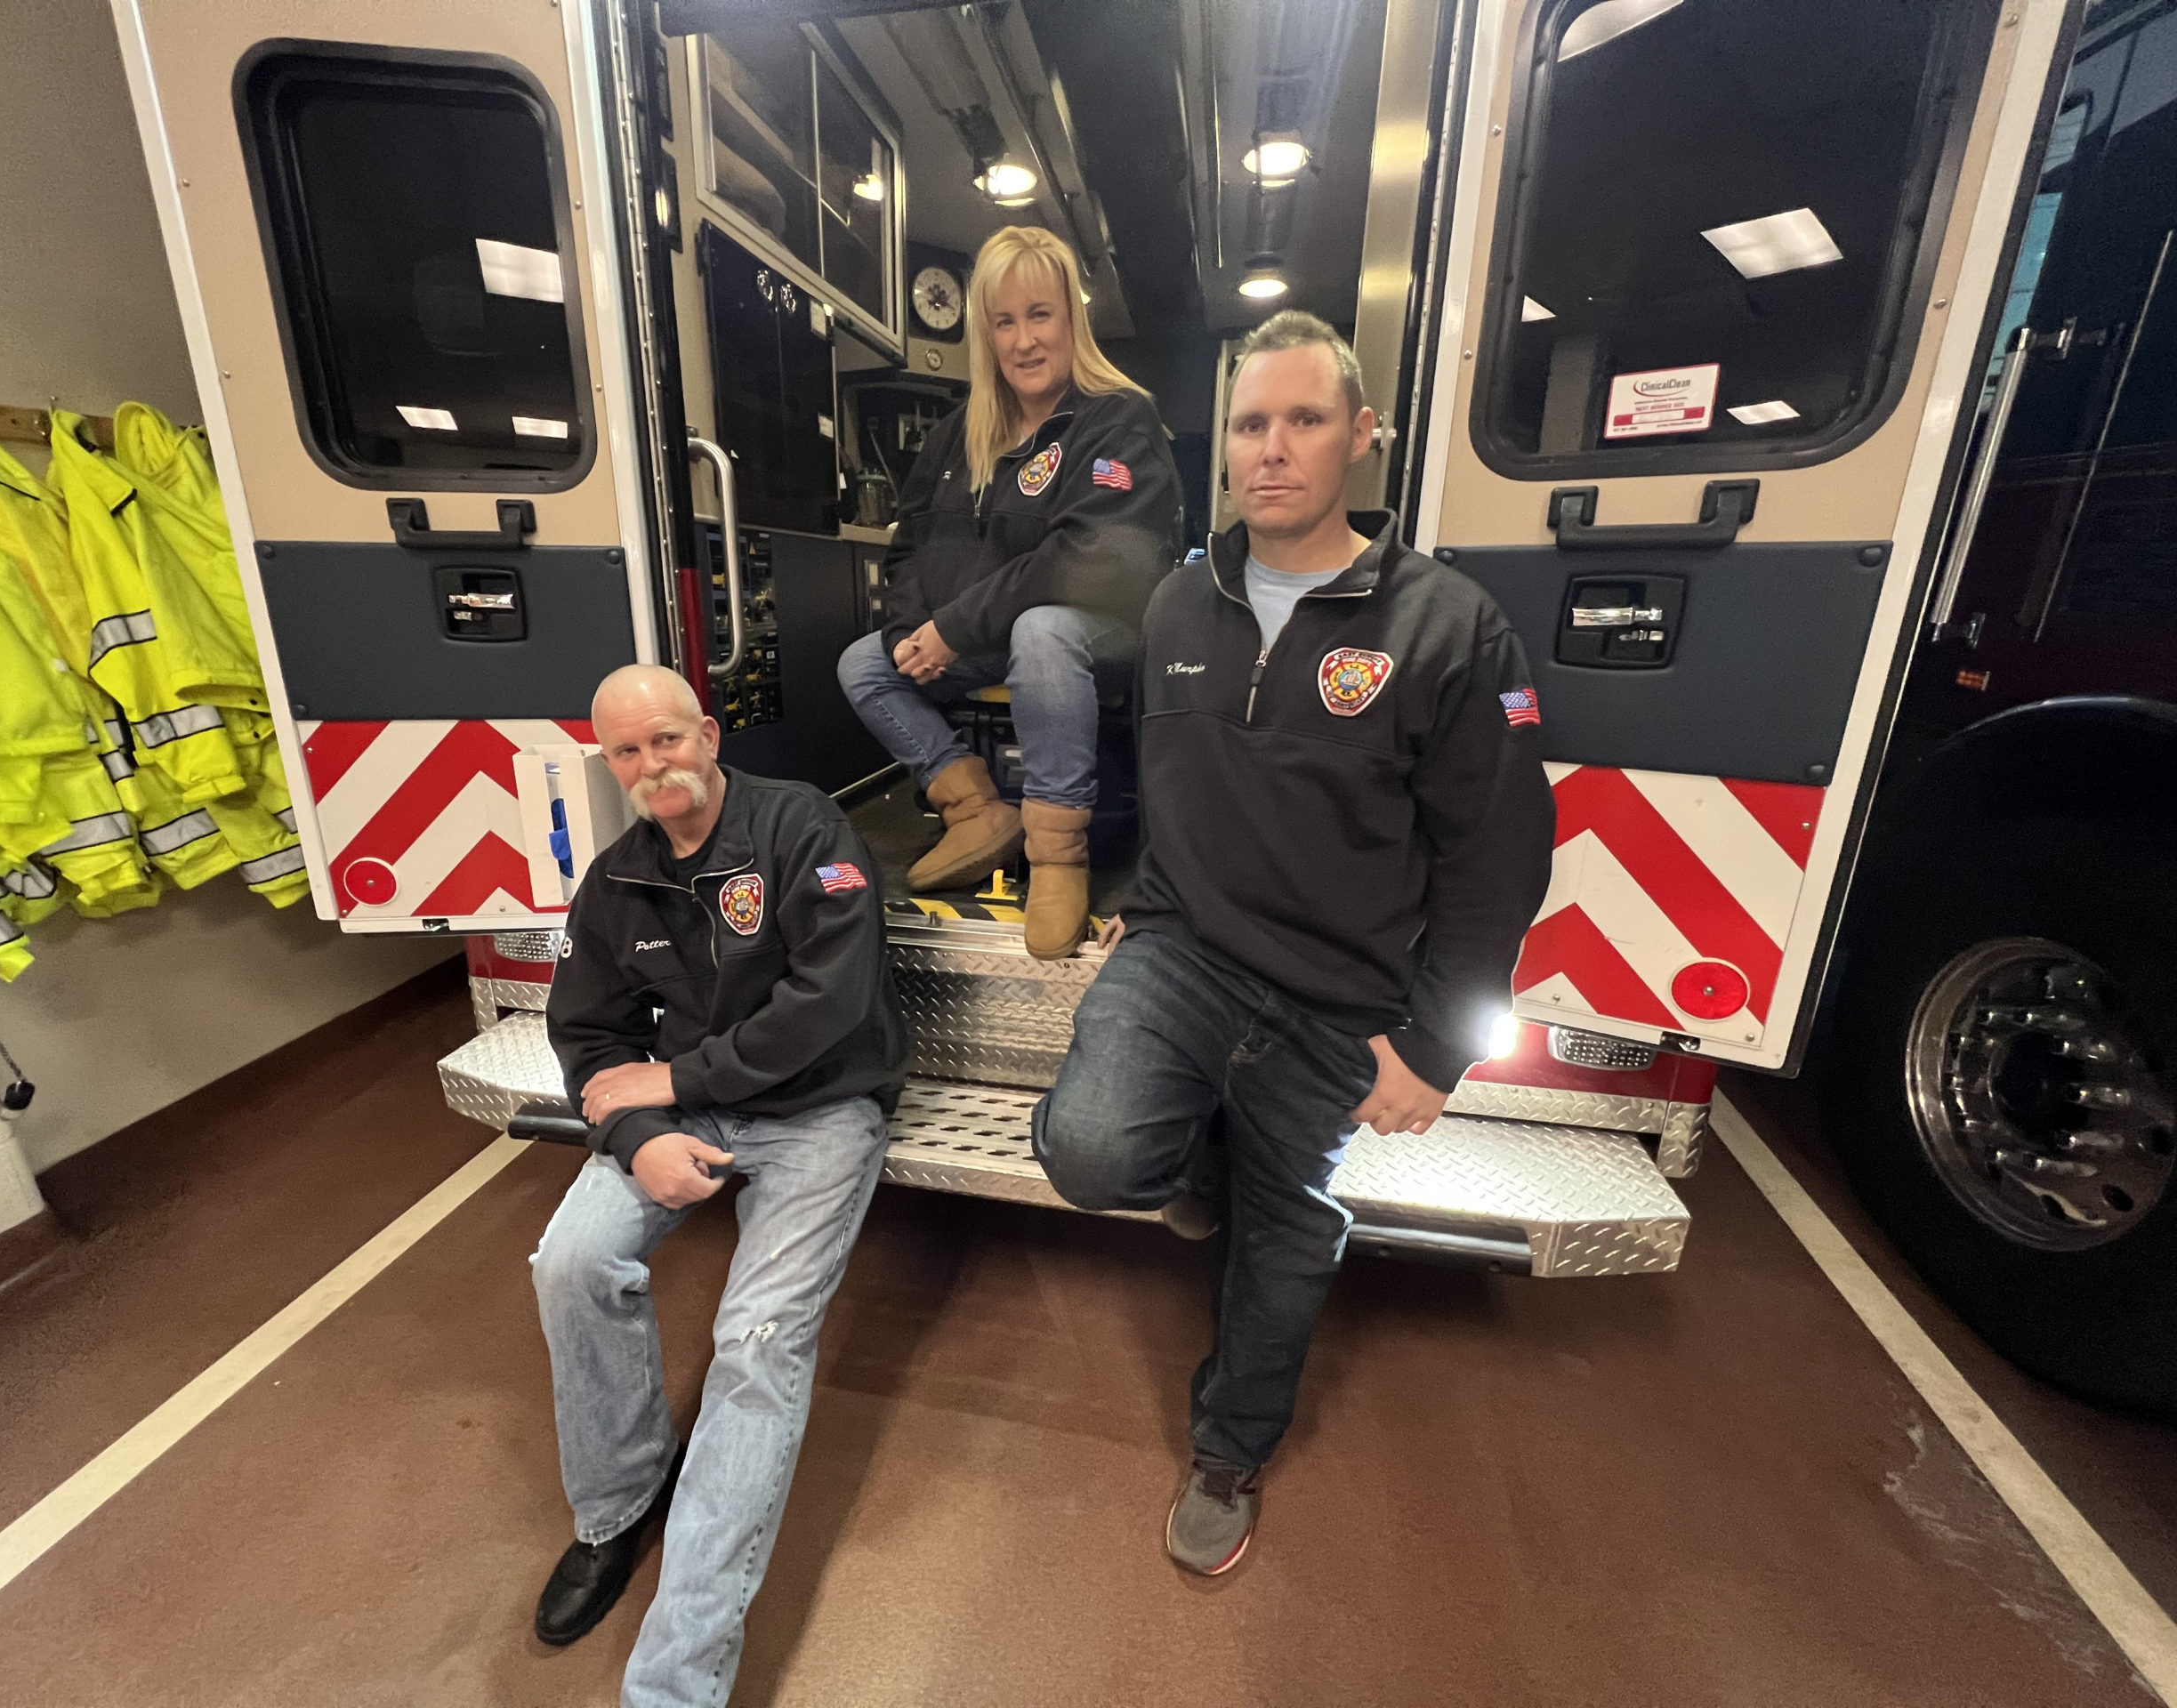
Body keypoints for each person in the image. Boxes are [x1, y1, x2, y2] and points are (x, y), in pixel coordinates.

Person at [1031, 311, 1555, 1575]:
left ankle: (1230, 1447)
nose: (1274, 449)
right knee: (1094, 1152)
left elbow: (1500, 856)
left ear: (1360, 437)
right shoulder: (1174, 603)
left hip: (1342, 995)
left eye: (1305, 420)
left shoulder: (1449, 627)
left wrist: (1434, 1046)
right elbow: (1168, 782)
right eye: (1253, 425)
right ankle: (1195, 1145)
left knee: (1285, 1235)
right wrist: (1138, 903)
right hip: (1185, 951)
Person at [529, 664, 907, 1706]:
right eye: (627, 753)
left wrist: (679, 1077)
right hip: (686, 1111)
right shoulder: (617, 881)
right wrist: (641, 1134)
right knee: (569, 1262)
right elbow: (589, 1039)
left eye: (667, 741)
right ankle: (615, 1511)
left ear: (706, 735)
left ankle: (675, 1686)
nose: (654, 768)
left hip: (826, 1105)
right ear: (608, 764)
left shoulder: (805, 831)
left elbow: (830, 1002)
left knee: (753, 1346)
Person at [835, 224, 1180, 959]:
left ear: (1071, 321)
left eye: (1040, 315)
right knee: (865, 662)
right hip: (989, 635)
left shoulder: (1118, 418)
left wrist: (954, 628)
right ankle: (975, 810)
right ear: (985, 334)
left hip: (1102, 639)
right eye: (1004, 321)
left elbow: (1092, 558)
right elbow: (908, 550)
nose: (1024, 340)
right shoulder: (959, 435)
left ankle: (1058, 855)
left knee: (1045, 632)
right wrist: (908, 635)